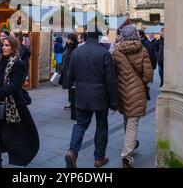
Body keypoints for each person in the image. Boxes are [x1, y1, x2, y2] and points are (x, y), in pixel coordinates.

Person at [0, 36, 39, 168]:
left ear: (13, 47)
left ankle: (21, 154)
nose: (4, 48)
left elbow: (15, 85)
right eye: (3, 45)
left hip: (13, 105)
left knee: (16, 134)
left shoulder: (18, 63)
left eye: (7, 45)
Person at [65, 29, 119, 168]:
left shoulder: (76, 52)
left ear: (86, 36)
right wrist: (114, 101)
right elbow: (110, 80)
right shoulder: (104, 53)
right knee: (101, 126)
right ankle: (99, 158)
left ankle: (72, 151)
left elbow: (70, 75)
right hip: (100, 95)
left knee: (80, 124)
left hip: (81, 94)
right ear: (98, 37)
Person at [112, 25, 154, 168]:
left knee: (127, 118)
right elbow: (148, 75)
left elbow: (113, 72)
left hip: (122, 91)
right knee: (133, 123)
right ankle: (126, 157)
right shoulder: (142, 50)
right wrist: (140, 82)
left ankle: (130, 144)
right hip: (137, 91)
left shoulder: (117, 51)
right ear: (135, 34)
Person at [59, 34, 78, 115]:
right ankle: (71, 102)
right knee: (70, 88)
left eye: (67, 39)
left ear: (70, 39)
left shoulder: (74, 49)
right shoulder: (69, 47)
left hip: (71, 72)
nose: (66, 40)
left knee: (72, 88)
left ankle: (73, 103)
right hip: (67, 71)